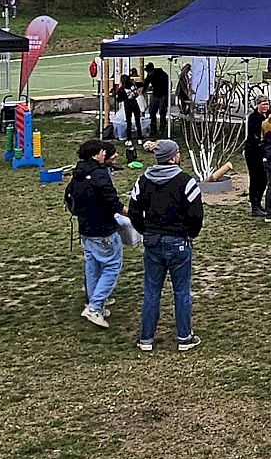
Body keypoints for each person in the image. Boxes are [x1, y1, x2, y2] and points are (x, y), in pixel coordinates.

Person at [129, 140, 203, 352]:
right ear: (173, 158)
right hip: (178, 242)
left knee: (151, 291)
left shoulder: (143, 180)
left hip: (152, 242)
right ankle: (184, 337)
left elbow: (134, 210)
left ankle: (146, 339)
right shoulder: (185, 181)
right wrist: (190, 234)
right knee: (181, 291)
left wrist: (145, 230)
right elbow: (196, 214)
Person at [64, 139, 126, 327]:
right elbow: (113, 203)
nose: (104, 153)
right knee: (112, 266)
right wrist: (132, 214)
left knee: (93, 268)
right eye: (101, 151)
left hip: (85, 229)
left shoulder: (78, 174)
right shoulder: (99, 175)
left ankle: (94, 303)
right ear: (95, 154)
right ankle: (95, 306)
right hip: (103, 230)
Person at [244, 97, 270, 217]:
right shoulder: (253, 118)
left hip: (264, 151)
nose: (265, 106)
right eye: (263, 104)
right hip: (253, 151)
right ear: (257, 105)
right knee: (255, 178)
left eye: (267, 104)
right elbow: (255, 133)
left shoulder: (268, 116)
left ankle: (259, 202)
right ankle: (254, 206)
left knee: (264, 179)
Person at [143, 60, 171, 135]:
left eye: (149, 71)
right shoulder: (149, 75)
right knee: (152, 111)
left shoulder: (162, 75)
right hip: (155, 94)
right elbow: (146, 83)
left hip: (163, 94)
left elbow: (166, 85)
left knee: (162, 112)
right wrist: (143, 91)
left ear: (152, 70)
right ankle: (153, 128)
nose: (148, 73)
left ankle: (162, 128)